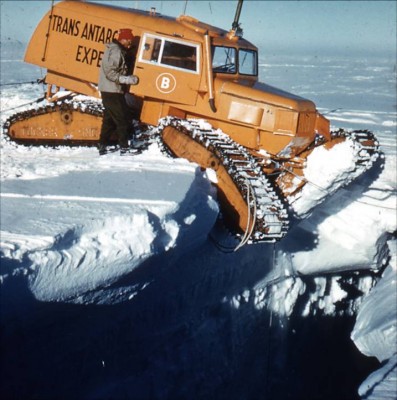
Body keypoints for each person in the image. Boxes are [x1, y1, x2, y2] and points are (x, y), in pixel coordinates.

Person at [98, 28, 139, 155]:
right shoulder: (116, 51)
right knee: (123, 118)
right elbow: (110, 72)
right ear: (124, 39)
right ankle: (124, 148)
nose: (130, 43)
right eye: (129, 41)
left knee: (109, 120)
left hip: (109, 90)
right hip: (112, 90)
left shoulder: (116, 49)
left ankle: (102, 145)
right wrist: (126, 79)